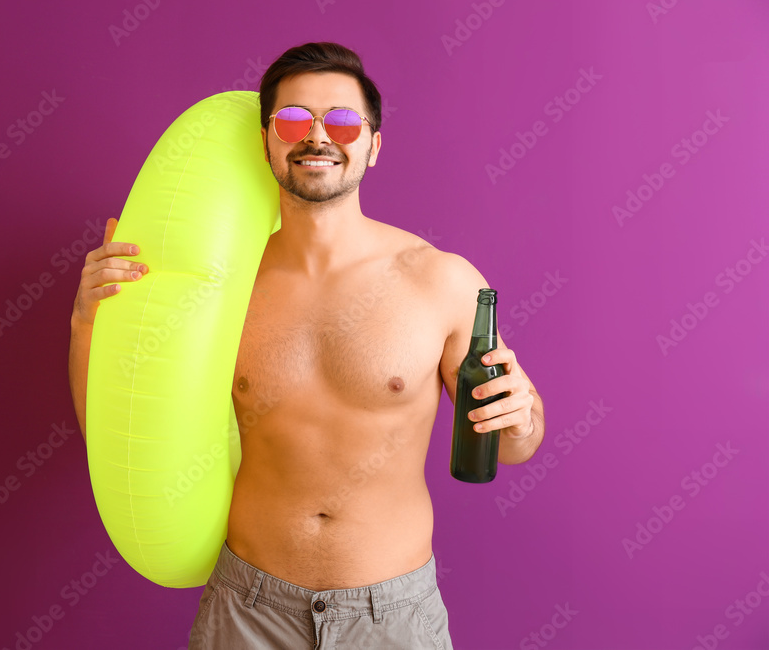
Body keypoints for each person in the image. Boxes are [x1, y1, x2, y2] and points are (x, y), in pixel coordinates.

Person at [68, 41, 545, 650]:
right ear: (267, 140)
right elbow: (117, 435)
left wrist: (523, 418)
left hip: (392, 614)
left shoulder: (442, 281)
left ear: (373, 145)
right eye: (293, 119)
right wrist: (87, 323)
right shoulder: (220, 288)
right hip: (249, 605)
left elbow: (513, 446)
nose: (317, 137)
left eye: (342, 121)